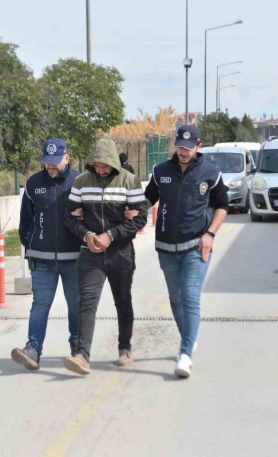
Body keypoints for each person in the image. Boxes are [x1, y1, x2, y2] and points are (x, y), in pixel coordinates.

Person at [144, 125, 229, 378]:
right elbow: (148, 199)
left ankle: (185, 355)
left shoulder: (210, 173)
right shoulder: (161, 171)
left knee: (190, 297)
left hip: (196, 246)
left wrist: (210, 234)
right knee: (176, 299)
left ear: (198, 146)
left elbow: (223, 206)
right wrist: (131, 210)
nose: (183, 152)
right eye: (180, 147)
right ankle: (189, 340)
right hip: (166, 248)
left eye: (188, 148)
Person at [62, 139, 148, 375]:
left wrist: (111, 235)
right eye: (96, 166)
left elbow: (141, 218)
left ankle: (125, 348)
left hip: (121, 253)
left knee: (123, 301)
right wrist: (87, 235)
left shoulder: (130, 181)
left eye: (105, 166)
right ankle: (82, 355)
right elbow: (69, 217)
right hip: (90, 253)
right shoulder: (81, 182)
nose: (100, 170)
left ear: (113, 163)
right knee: (87, 303)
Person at [11, 139, 82, 370]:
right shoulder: (33, 183)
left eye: (55, 161)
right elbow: (26, 220)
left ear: (66, 158)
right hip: (41, 259)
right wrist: (30, 243)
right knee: (40, 304)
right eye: (47, 162)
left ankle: (78, 347)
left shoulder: (79, 182)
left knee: (76, 304)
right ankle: (33, 349)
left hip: (74, 258)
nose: (50, 166)